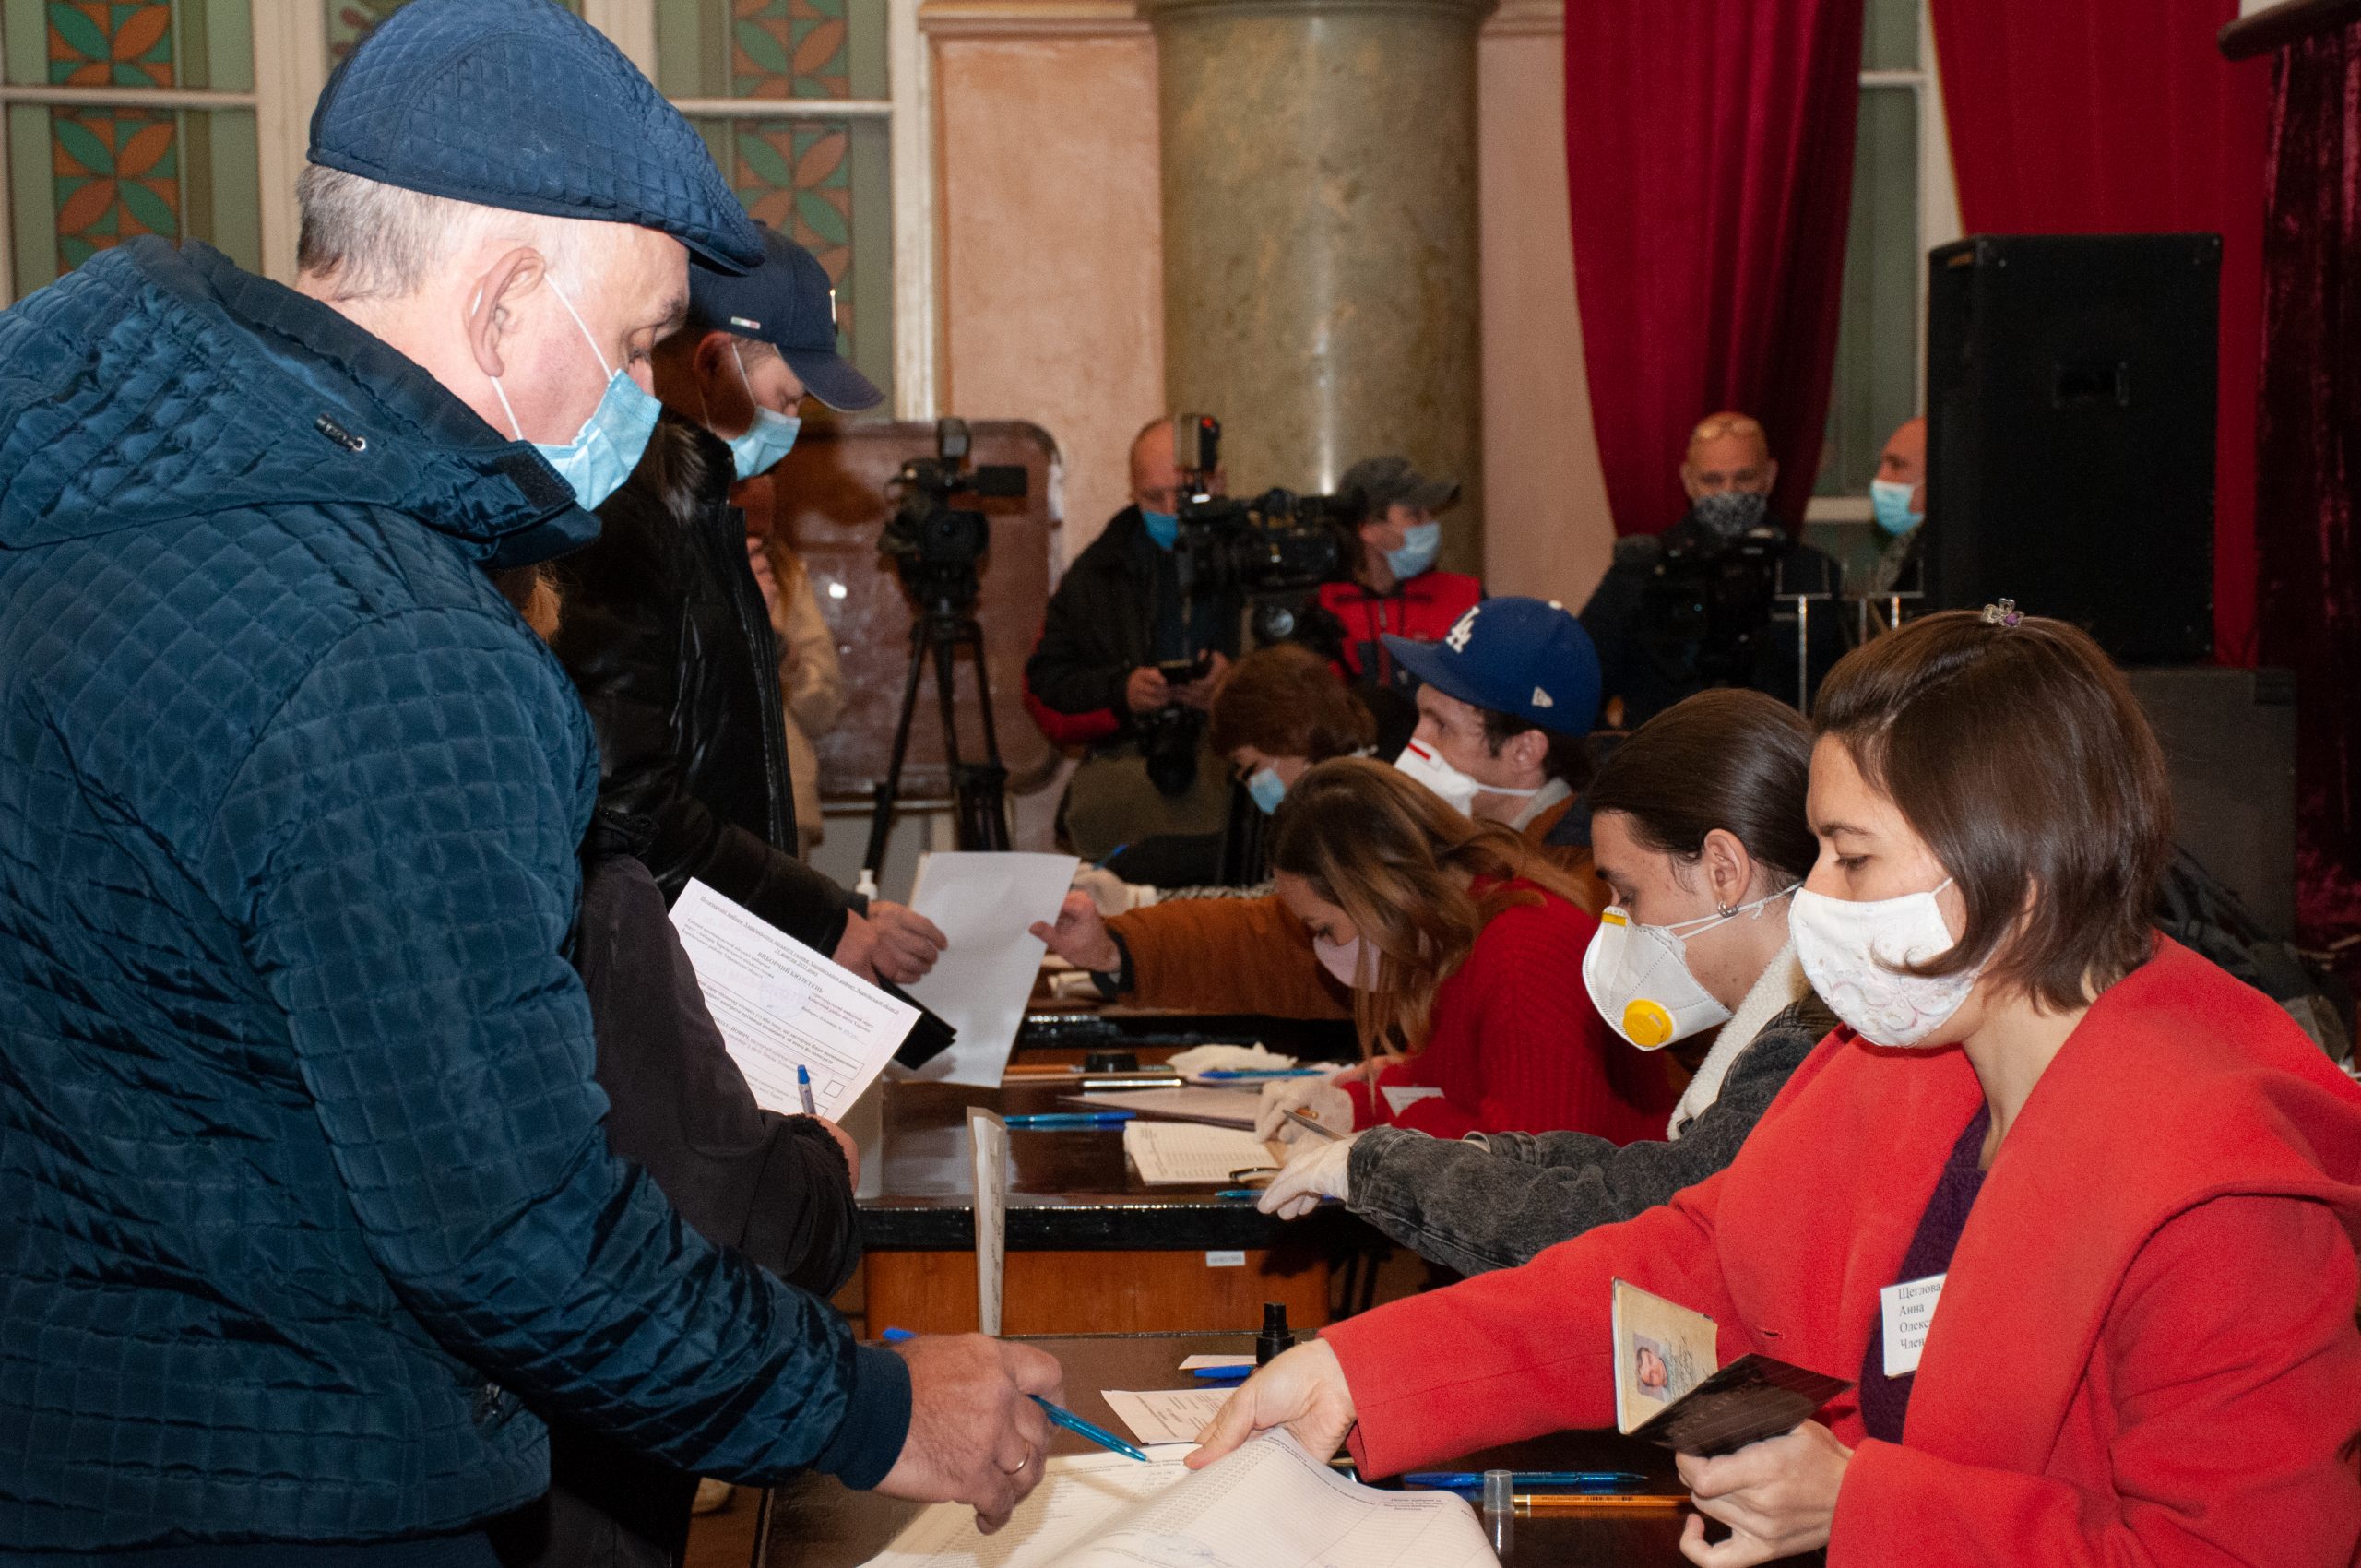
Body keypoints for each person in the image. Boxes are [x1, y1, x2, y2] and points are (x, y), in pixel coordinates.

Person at [0, 3, 1055, 1555]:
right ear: (503, 305)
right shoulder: (391, 648)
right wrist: (874, 1409)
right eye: (634, 345)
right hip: (310, 1490)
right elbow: (510, 1231)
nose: (640, 406)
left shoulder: (76, 499)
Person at [1191, 609, 2361, 1568]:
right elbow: (1689, 1273)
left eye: (1852, 858)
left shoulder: (2218, 1183)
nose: (1818, 906)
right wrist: (1369, 1368)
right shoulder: (1900, 1061)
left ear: (2026, 868)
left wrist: (1865, 1505)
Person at [1252, 690, 1838, 1278]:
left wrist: (1384, 1165)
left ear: (1724, 870)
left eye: (1627, 894)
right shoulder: (1788, 1035)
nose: (1615, 919)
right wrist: (1397, 1128)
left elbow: (1630, 1210)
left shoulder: (1801, 1054)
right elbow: (1635, 1172)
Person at [552, 224, 944, 983]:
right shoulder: (622, 521)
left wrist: (831, 912)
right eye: (786, 397)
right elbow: (624, 803)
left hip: (714, 959)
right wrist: (824, 923)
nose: (792, 426)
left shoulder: (703, 519)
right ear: (714, 362)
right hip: (644, 971)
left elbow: (720, 788)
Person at [1032, 597, 1611, 1021]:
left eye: (1440, 725)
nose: (1417, 743)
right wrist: (1117, 948)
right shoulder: (1462, 846)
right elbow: (1281, 939)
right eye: (1420, 716)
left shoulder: (1590, 886)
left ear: (1524, 750)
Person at [1244, 759, 1677, 1143]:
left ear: (1377, 898)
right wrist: (1354, 1102)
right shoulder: (1460, 935)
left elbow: (1531, 1163)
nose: (1322, 948)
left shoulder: (1521, 949)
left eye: (1323, 929)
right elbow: (1447, 1081)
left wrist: (1382, 1134)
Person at [1024, 416, 1241, 876]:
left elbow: (1319, 680)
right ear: (1132, 493)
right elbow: (1046, 686)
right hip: (1129, 780)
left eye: (1184, 494)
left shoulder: (1257, 555)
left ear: (1218, 483)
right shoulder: (1099, 569)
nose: (1170, 510)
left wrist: (1236, 688)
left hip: (1240, 776)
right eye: (1153, 498)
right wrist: (1121, 692)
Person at [1068, 643, 1377, 917]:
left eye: (1250, 768)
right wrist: (1142, 898)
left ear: (1286, 737)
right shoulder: (1338, 797)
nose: (1250, 784)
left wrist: (1140, 901)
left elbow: (1269, 911)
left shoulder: (1355, 809)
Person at [1581, 410, 1846, 727]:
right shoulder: (1644, 572)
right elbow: (1580, 684)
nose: (1728, 492)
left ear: (1769, 476)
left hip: (1780, 761)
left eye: (1744, 477)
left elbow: (1845, 700)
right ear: (1689, 481)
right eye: (1712, 480)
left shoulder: (1811, 574)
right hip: (1667, 760)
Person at [1300, 456, 1482, 755]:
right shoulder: (1320, 605)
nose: (1430, 524)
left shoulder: (1466, 598)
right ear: (1369, 528)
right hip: (1350, 779)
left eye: (1429, 512)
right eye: (1414, 514)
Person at [748, 527, 847, 859]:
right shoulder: (670, 555)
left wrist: (783, 658)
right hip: (692, 802)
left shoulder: (782, 574)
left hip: (782, 798)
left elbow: (824, 710)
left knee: (785, 908)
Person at [1860, 415, 1927, 599]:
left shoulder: (1941, 564)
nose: (1881, 477)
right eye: (1882, 465)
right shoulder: (1902, 548)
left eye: (1897, 465)